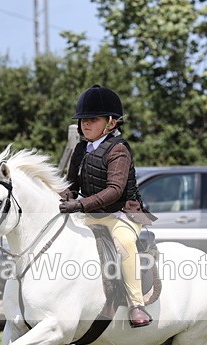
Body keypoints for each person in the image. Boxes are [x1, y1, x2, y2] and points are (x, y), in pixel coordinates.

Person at [59, 84, 156, 328]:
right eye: (83, 120)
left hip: (121, 215)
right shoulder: (81, 149)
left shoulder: (118, 149)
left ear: (111, 123)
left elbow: (114, 191)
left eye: (92, 119)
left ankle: (136, 304)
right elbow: (72, 183)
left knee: (123, 243)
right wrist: (62, 197)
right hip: (91, 215)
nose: (85, 125)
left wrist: (79, 205)